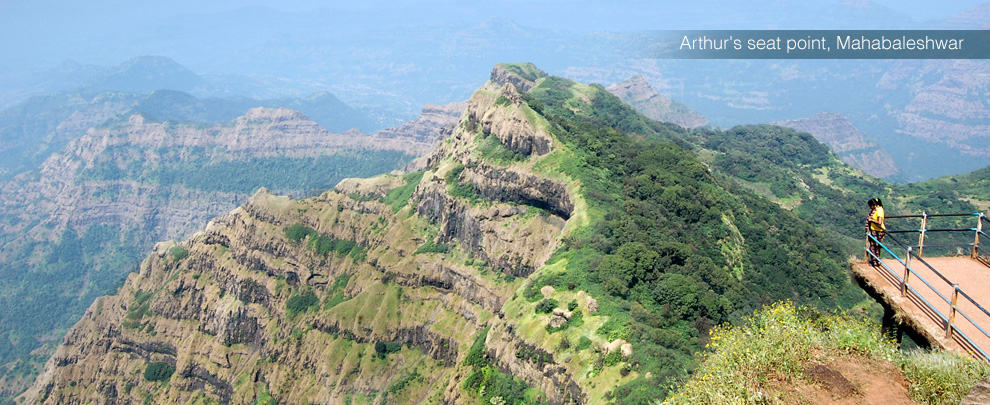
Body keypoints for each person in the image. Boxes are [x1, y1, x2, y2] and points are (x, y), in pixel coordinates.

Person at [866, 198, 886, 266]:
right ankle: (876, 261)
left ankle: (876, 261)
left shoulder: (879, 211)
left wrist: (871, 220)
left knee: (875, 246)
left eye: (870, 206)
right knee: (875, 246)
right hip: (875, 230)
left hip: (878, 231)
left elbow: (879, 222)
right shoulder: (876, 210)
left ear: (873, 205)